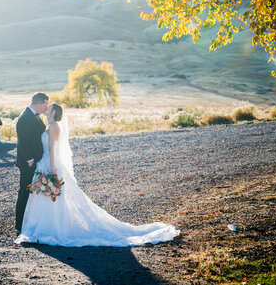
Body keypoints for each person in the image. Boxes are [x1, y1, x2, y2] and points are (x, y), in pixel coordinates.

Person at [15, 102, 180, 247]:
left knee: (52, 196)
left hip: (50, 164)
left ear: (53, 112)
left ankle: (50, 227)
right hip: (43, 163)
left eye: (49, 107)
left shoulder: (54, 127)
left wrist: (52, 167)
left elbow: (52, 149)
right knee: (46, 196)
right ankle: (46, 225)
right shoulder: (48, 125)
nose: (46, 107)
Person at [15, 92, 49, 235]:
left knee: (33, 191)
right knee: (25, 191)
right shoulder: (24, 118)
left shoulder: (35, 117)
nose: (46, 107)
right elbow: (22, 141)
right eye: (45, 104)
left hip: (37, 161)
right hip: (28, 162)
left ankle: (31, 221)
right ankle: (19, 225)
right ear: (39, 103)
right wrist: (29, 159)